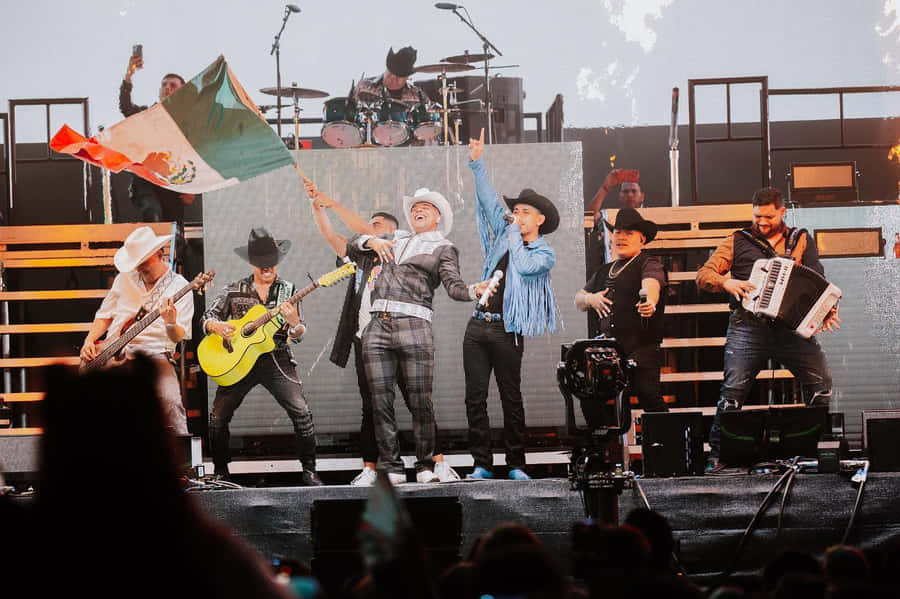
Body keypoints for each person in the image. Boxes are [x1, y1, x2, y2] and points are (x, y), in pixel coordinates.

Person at [306, 187, 460, 485]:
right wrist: (319, 210)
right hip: (368, 337)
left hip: (402, 329)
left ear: (394, 231)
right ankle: (374, 467)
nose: (371, 228)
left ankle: (435, 462)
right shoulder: (364, 258)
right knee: (374, 405)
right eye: (371, 226)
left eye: (378, 225)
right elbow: (336, 239)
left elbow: (361, 230)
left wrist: (335, 202)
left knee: (418, 399)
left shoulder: (401, 248)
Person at [350, 188, 491, 484]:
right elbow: (353, 245)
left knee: (420, 400)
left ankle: (425, 464)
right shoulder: (394, 238)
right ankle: (390, 466)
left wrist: (472, 291)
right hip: (377, 325)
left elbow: (453, 286)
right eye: (415, 207)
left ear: (437, 217)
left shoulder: (443, 247)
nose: (419, 210)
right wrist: (371, 240)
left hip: (414, 323)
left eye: (426, 206)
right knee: (379, 400)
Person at [697, 187, 840, 472]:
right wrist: (727, 283)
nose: (761, 222)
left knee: (821, 383)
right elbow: (704, 275)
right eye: (757, 216)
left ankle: (811, 450)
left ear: (782, 212)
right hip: (748, 326)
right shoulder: (737, 241)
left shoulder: (800, 239)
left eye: (768, 217)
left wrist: (825, 309)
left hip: (789, 329)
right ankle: (718, 457)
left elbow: (816, 280)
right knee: (733, 391)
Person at [464, 129, 559, 481]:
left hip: (508, 328)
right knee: (474, 398)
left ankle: (516, 464)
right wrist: (477, 164)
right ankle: (482, 464)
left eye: (523, 212)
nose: (515, 215)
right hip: (478, 325)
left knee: (510, 397)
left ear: (539, 220)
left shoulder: (542, 252)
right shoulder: (503, 238)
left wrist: (511, 234)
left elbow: (524, 266)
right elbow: (490, 203)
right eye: (515, 210)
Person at [201, 228, 321, 486]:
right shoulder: (233, 290)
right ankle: (221, 471)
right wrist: (217, 327)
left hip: (275, 356)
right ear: (252, 262)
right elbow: (207, 318)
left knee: (301, 411)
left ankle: (309, 471)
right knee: (218, 417)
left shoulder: (289, 291)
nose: (267, 268)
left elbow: (298, 335)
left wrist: (294, 322)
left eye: (271, 262)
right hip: (237, 359)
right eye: (261, 262)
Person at [79, 225, 193, 434]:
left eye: (145, 262)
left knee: (170, 402)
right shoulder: (124, 279)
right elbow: (104, 315)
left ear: (160, 254)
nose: (140, 268)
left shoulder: (180, 287)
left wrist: (170, 321)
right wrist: (89, 341)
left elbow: (179, 335)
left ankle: (182, 459)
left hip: (154, 354)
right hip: (113, 352)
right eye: (137, 264)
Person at [575, 208, 668, 414]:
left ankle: (670, 444)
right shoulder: (604, 270)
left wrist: (650, 302)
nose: (621, 237)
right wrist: (591, 298)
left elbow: (651, 284)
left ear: (642, 239)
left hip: (641, 346)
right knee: (589, 396)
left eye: (629, 233)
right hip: (610, 350)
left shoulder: (648, 263)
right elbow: (578, 299)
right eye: (618, 232)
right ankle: (603, 445)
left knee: (648, 395)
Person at [119, 49, 196, 224]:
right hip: (146, 180)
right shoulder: (147, 114)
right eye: (164, 84)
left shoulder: (188, 124)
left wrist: (192, 189)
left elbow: (195, 155)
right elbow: (125, 107)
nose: (167, 88)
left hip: (172, 183)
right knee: (152, 214)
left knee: (175, 232)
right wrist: (129, 74)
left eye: (173, 85)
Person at [356, 46, 427, 107]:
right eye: (390, 73)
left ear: (407, 77)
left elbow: (430, 118)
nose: (393, 78)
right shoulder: (364, 87)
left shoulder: (418, 96)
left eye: (398, 76)